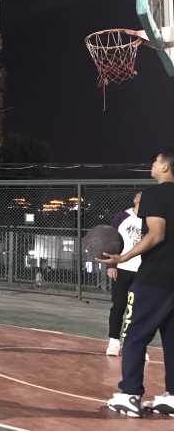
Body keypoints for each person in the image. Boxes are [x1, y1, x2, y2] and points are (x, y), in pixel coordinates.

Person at [98, 149, 174, 418]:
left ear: (165, 167)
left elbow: (156, 234)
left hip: (155, 277)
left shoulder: (154, 194)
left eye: (156, 161)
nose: (152, 164)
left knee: (133, 335)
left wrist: (122, 257)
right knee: (171, 339)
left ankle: (129, 394)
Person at [106, 193, 143, 356]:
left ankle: (135, 345)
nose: (141, 197)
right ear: (135, 199)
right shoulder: (122, 217)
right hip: (122, 268)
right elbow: (110, 240)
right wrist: (111, 265)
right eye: (139, 195)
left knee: (139, 309)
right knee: (119, 305)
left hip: (143, 271)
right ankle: (114, 342)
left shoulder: (151, 219)